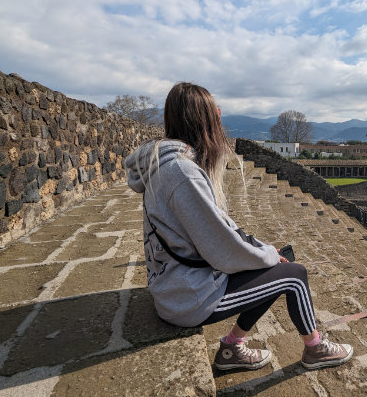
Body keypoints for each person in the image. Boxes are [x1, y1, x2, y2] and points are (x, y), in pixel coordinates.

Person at [123, 83, 353, 374]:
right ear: (204, 120)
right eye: (216, 116)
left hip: (177, 286)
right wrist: (268, 257)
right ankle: (315, 349)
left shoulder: (168, 165)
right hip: (187, 298)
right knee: (294, 275)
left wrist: (266, 251)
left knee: (275, 263)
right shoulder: (182, 172)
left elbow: (219, 227)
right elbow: (221, 247)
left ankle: (232, 346)